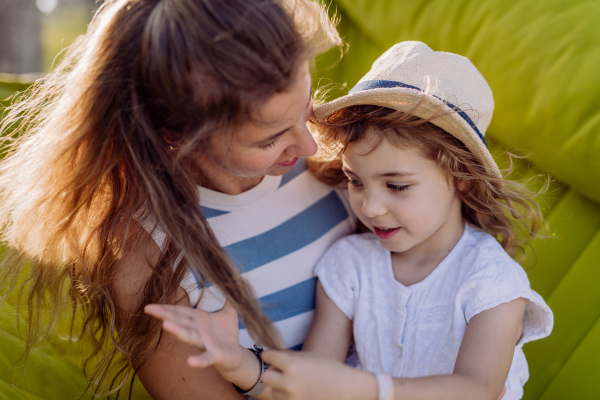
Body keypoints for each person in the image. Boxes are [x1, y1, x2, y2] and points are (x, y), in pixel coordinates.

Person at [145, 41, 554, 400]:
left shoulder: (493, 281)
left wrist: (368, 390)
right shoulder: (349, 265)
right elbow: (311, 382)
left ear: (461, 182)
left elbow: (476, 389)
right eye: (356, 181)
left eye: (396, 186)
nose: (370, 207)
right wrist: (240, 365)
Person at [0, 0, 355, 398]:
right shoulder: (148, 256)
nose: (310, 145)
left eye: (305, 105)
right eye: (269, 138)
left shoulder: (354, 167)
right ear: (175, 134)